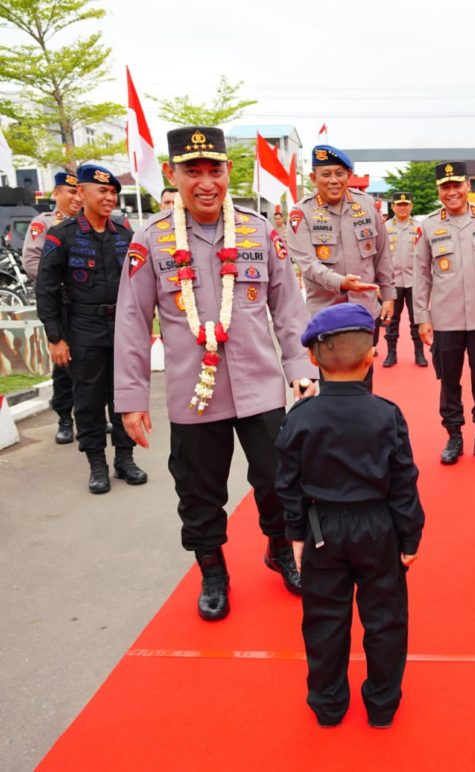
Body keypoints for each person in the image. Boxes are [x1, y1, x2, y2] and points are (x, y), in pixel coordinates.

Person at [114, 126, 317, 618]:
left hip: (262, 388)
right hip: (193, 393)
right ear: (172, 174)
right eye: (192, 171)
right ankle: (213, 569)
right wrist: (130, 397)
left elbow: (288, 306)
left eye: (215, 170)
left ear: (228, 172)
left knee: (279, 479)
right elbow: (131, 322)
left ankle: (279, 551)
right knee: (199, 491)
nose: (206, 182)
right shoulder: (152, 238)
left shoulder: (258, 230)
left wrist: (299, 367)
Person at [274, 302, 424, 729]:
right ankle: (382, 703)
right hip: (378, 528)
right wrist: (409, 537)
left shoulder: (300, 418)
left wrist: (296, 534)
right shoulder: (387, 414)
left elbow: (286, 483)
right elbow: (403, 482)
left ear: (313, 359)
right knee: (385, 618)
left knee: (324, 618)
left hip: (323, 529)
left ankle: (328, 703)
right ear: (369, 357)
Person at [36, 165, 147, 494]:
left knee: (123, 395)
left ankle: (124, 459)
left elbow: (140, 285)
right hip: (83, 327)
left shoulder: (125, 235)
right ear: (82, 193)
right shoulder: (63, 234)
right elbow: (46, 288)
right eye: (103, 191)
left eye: (113, 192)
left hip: (122, 328)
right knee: (88, 398)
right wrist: (55, 337)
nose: (110, 197)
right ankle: (96, 462)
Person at [413, 162, 475, 466]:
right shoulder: (428, 225)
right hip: (445, 319)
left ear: (467, 185)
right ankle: (453, 435)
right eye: (445, 187)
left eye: (457, 185)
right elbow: (421, 275)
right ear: (439, 190)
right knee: (449, 381)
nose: (452, 192)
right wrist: (422, 317)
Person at [285, 144, 395, 389]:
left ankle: (364, 426)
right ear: (314, 178)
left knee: (364, 379)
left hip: (365, 309)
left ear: (349, 175)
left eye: (339, 173)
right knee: (331, 383)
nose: (333, 180)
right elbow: (308, 264)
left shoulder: (367, 205)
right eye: (326, 175)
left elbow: (382, 254)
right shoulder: (301, 214)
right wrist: (340, 282)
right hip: (326, 312)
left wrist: (388, 295)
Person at [22, 171, 82, 444]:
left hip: (86, 305)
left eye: (79, 192)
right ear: (56, 193)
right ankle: (64, 419)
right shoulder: (43, 223)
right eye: (70, 192)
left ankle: (89, 416)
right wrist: (59, 281)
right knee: (63, 364)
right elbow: (32, 261)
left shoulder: (87, 223)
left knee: (91, 363)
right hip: (59, 304)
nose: (76, 198)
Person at [382, 191, 427, 368]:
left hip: (414, 281)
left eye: (406, 204)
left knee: (417, 319)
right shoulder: (385, 228)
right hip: (392, 282)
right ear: (392, 207)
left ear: (411, 206)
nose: (402, 207)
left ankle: (419, 353)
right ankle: (391, 353)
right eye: (399, 205)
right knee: (392, 321)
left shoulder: (419, 227)